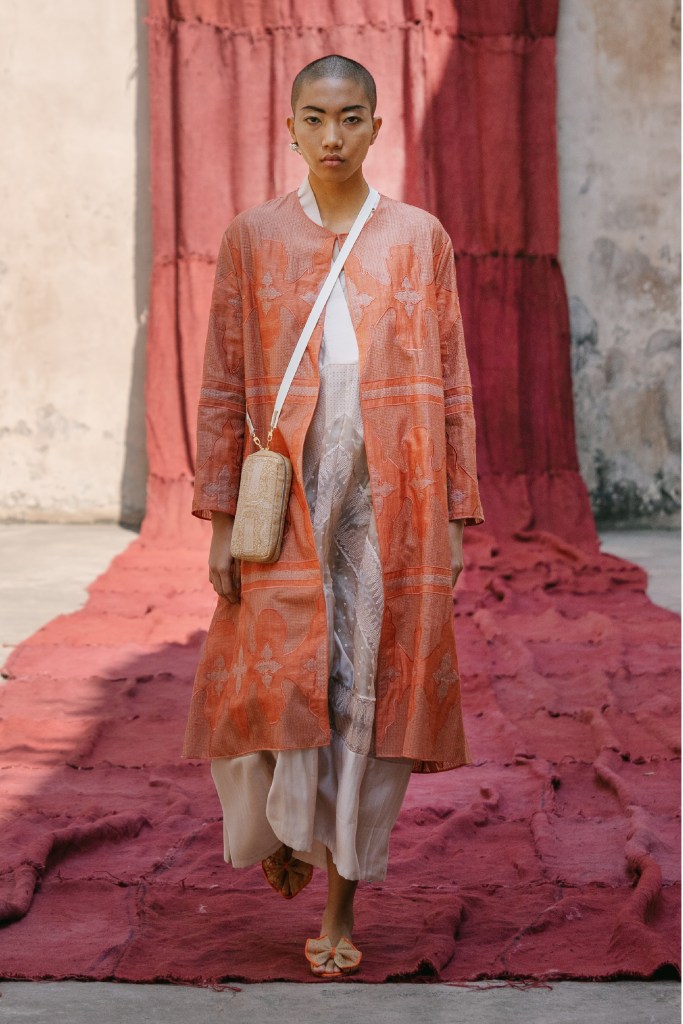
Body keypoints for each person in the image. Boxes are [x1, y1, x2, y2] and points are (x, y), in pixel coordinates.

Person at [182, 54, 484, 979]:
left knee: (366, 693)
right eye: (314, 118)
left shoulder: (417, 238)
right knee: (276, 680)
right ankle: (286, 825)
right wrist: (219, 520)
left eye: (350, 118)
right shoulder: (253, 238)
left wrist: (454, 516)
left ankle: (339, 900)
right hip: (287, 499)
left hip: (391, 502)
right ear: (289, 127)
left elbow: (452, 383)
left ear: (376, 128)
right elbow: (225, 380)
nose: (332, 137)